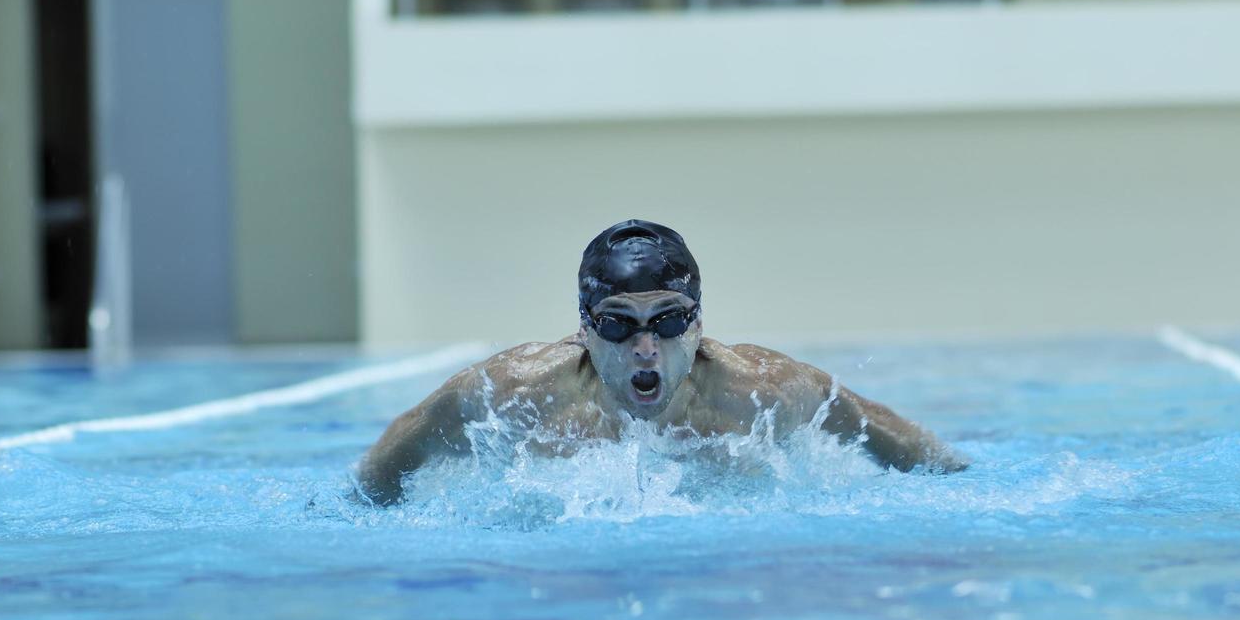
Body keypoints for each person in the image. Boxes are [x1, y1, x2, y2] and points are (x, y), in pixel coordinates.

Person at [355, 220, 967, 505]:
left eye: (669, 321)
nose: (645, 348)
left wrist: (960, 482)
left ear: (698, 325)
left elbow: (875, 428)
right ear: (585, 331)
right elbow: (398, 448)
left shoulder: (762, 392)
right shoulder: (515, 393)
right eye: (619, 323)